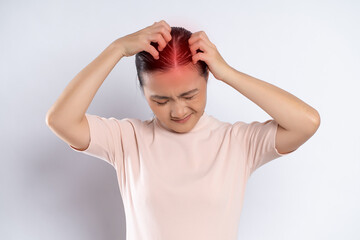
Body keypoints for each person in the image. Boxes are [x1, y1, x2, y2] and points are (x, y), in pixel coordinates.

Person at [46, 20, 320, 240]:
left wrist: (229, 73)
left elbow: (306, 122)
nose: (178, 111)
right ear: (144, 92)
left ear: (208, 78)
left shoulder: (237, 142)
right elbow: (61, 120)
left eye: (190, 95)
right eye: (160, 100)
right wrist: (115, 49)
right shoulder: (127, 140)